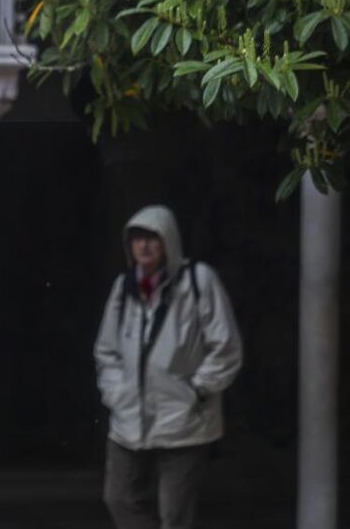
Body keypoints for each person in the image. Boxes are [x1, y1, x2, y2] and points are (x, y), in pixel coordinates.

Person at [94, 205, 243, 529]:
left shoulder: (198, 281)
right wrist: (116, 393)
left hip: (184, 420)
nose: (144, 246)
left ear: (169, 242)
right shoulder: (125, 287)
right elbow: (107, 350)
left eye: (153, 239)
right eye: (137, 239)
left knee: (174, 513)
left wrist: (196, 390)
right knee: (118, 497)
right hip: (129, 418)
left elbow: (226, 347)